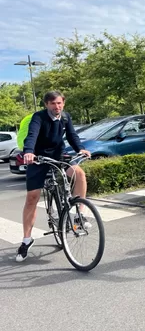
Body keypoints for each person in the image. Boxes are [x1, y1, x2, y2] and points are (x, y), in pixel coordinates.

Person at [16, 91, 91, 262]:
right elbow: (32, 136)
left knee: (79, 173)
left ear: (63, 103)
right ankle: (26, 240)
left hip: (58, 155)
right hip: (38, 158)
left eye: (59, 103)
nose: (56, 107)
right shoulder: (39, 117)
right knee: (32, 197)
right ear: (46, 105)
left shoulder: (65, 117)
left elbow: (72, 136)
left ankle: (79, 216)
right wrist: (29, 152)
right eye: (52, 104)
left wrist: (80, 148)